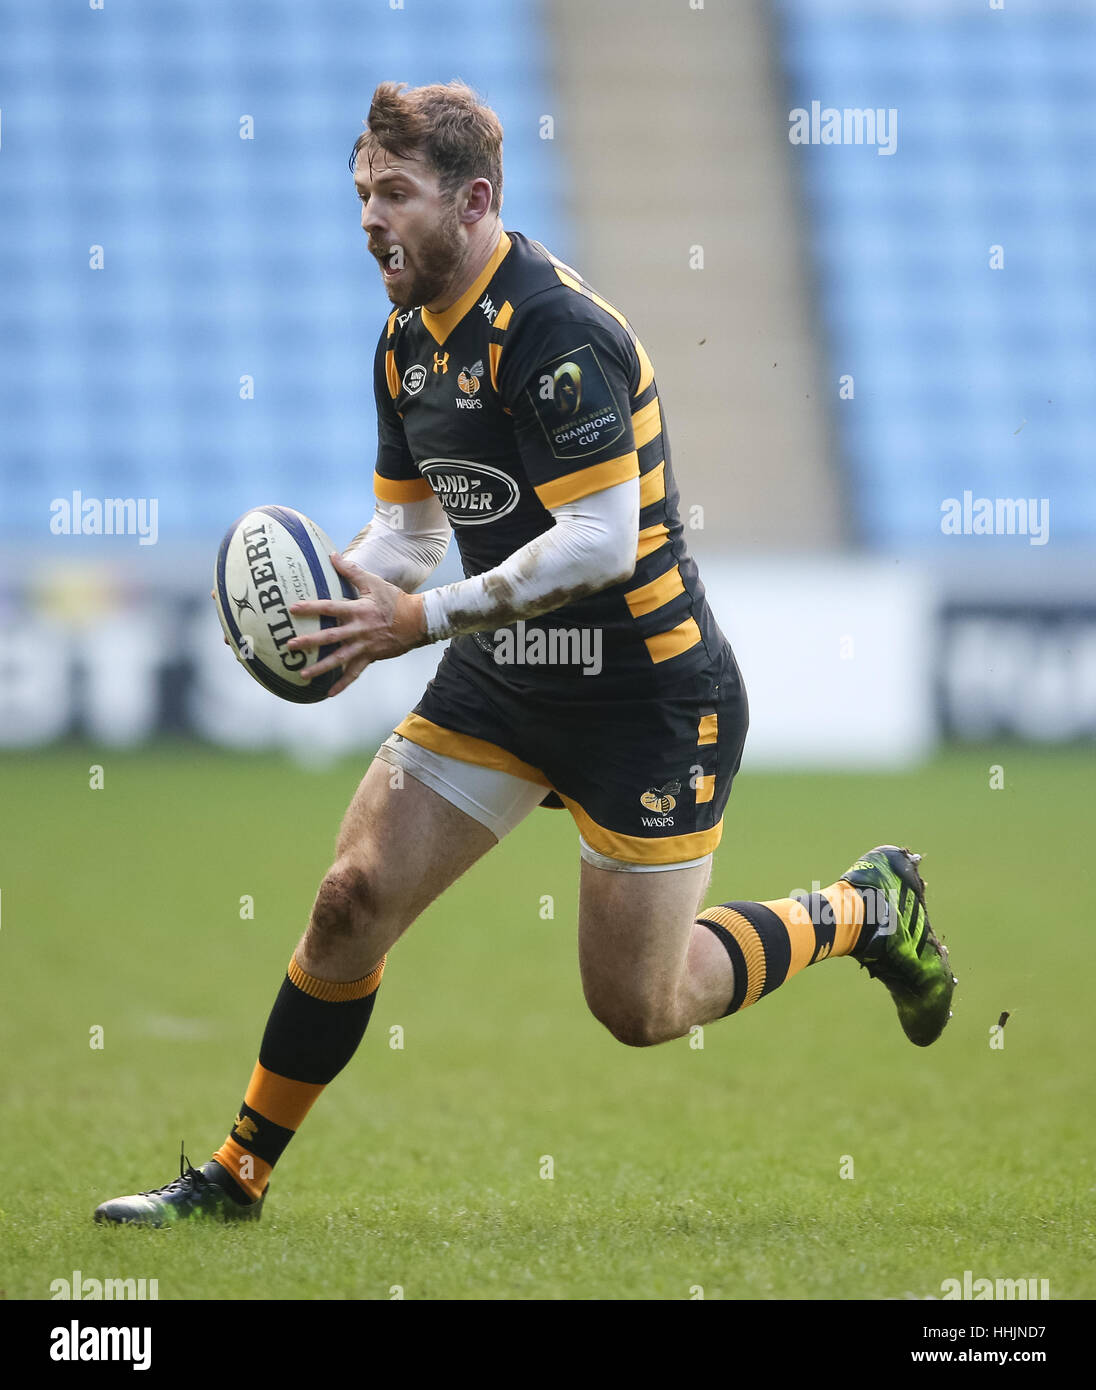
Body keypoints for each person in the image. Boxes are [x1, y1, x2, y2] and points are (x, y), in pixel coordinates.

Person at [95, 81, 955, 1227]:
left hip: (645, 691)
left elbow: (602, 538)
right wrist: (344, 604)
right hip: (505, 678)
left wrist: (422, 620)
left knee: (641, 1006)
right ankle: (235, 1175)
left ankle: (860, 909)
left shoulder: (555, 333)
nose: (368, 216)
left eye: (393, 193)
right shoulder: (404, 347)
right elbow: (408, 530)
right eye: (361, 190)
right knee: (350, 901)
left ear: (475, 200)